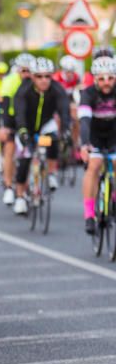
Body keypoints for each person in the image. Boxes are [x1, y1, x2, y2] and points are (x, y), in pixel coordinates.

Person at [13, 57, 69, 215]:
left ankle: (51, 173)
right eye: (39, 76)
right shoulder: (24, 90)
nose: (44, 80)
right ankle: (20, 197)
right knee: (25, 159)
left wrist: (66, 130)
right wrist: (23, 131)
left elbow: (64, 111)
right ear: (32, 76)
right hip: (27, 128)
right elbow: (20, 113)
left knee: (53, 140)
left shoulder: (57, 89)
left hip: (45, 126)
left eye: (47, 76)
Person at [79, 56, 116, 234]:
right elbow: (84, 121)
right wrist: (85, 144)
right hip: (93, 134)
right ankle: (88, 214)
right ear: (95, 79)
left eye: (110, 78)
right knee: (94, 165)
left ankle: (114, 198)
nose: (106, 82)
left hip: (113, 134)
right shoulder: (88, 94)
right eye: (102, 78)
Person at [0, 53, 34, 206]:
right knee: (10, 149)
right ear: (18, 70)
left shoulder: (35, 81)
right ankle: (8, 186)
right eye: (23, 70)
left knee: (28, 153)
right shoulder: (10, 81)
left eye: (28, 71)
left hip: (28, 120)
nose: (26, 74)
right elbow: (5, 104)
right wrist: (5, 127)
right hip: (11, 119)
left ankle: (27, 186)